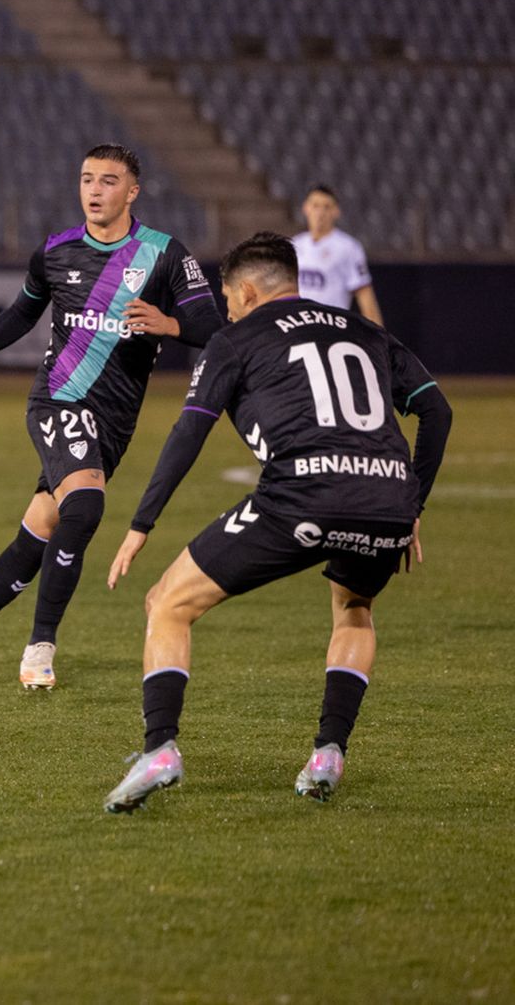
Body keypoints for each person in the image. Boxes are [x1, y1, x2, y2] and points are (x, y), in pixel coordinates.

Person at [101, 232, 452, 813]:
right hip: (386, 499)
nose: (227, 311)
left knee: (168, 603)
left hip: (302, 495)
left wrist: (142, 524)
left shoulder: (233, 340)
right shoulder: (366, 331)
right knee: (354, 608)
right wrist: (412, 504)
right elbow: (436, 408)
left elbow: (189, 431)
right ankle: (329, 753)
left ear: (245, 291)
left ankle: (160, 749)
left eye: (227, 298)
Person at [0, 143, 223, 693]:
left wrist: (170, 324)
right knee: (86, 505)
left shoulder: (164, 254)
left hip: (115, 420)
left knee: (39, 533)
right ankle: (40, 648)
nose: (94, 190)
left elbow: (213, 325)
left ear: (132, 192)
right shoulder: (56, 250)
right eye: (87, 179)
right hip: (58, 399)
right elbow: (22, 312)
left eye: (108, 181)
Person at [292, 184, 382, 326]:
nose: (320, 213)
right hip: (299, 327)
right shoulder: (295, 244)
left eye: (327, 207)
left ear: (336, 211)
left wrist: (377, 334)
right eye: (315, 205)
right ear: (306, 208)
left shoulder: (348, 248)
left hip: (331, 328)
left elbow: (365, 296)